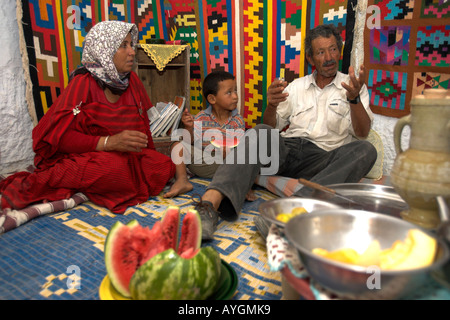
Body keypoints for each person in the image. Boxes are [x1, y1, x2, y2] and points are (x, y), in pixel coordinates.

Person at [193, 24, 377, 239]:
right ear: (310, 59)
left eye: (333, 49)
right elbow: (272, 127)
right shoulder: (296, 86)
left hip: (323, 158)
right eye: (321, 52)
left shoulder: (352, 86)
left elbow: (363, 131)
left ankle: (291, 214)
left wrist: (354, 99)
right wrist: (270, 106)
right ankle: (207, 207)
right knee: (260, 131)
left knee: (365, 149)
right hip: (287, 151)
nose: (329, 57)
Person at [0, 21, 191, 214]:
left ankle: (108, 182)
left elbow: (143, 134)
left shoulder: (131, 81)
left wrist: (140, 151)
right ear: (104, 50)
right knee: (112, 168)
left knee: (162, 165)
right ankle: (99, 180)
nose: (132, 52)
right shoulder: (83, 82)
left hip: (125, 156)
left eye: (131, 45)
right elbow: (60, 139)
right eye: (123, 46)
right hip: (90, 155)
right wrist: (109, 142)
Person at [164, 71, 256, 203]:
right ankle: (182, 180)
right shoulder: (201, 117)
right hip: (205, 162)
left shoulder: (238, 120)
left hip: (228, 165)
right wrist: (189, 127)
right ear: (212, 99)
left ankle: (243, 184)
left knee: (245, 156)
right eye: (229, 92)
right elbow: (189, 142)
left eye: (235, 91)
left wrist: (229, 152)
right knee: (177, 145)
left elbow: (240, 149)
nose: (235, 96)